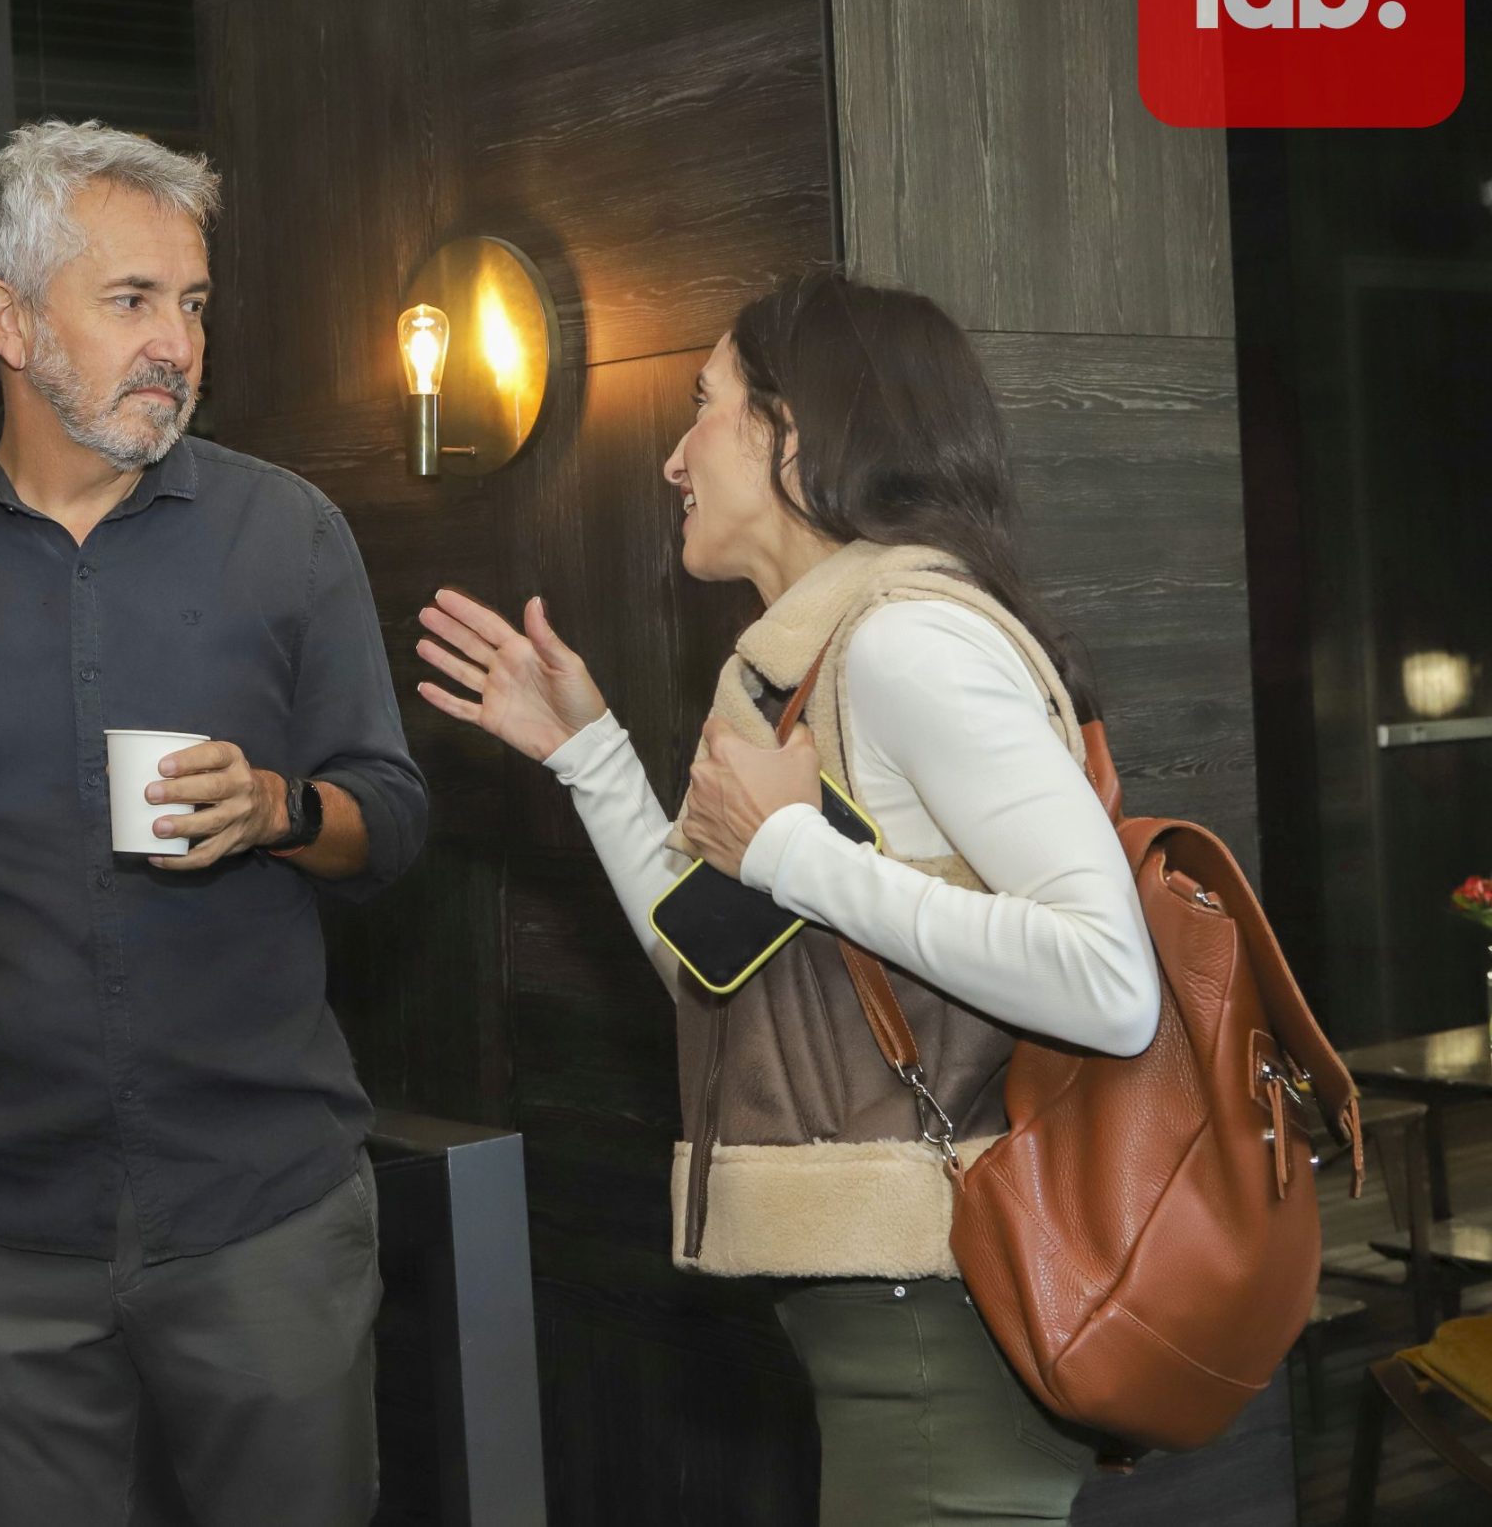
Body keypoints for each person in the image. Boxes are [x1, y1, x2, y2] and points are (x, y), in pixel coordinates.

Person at [415, 271, 1160, 1527]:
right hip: (891, 1316)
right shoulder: (812, 666)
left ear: (792, 433)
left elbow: (1110, 979)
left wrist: (793, 849)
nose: (673, 458)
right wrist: (591, 757)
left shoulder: (907, 645)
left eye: (702, 404)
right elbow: (717, 977)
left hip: (940, 1320)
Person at [0, 118, 427, 1527]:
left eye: (192, 304)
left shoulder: (288, 533)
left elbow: (389, 818)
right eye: (132, 300)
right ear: (9, 320)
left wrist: (278, 808)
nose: (176, 346)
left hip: (264, 1217)